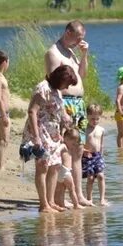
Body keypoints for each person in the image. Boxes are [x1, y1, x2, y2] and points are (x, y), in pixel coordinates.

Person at [44, 20, 93, 206]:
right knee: (64, 149)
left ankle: (78, 194)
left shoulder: (72, 52)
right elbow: (54, 85)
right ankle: (60, 197)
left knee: (79, 149)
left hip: (78, 104)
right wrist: (62, 110)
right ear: (67, 33)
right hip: (65, 103)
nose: (79, 42)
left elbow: (82, 75)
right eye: (77, 38)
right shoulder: (53, 53)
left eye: (82, 39)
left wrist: (84, 54)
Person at [22, 65, 76, 213]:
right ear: (60, 79)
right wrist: (36, 137)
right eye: (67, 83)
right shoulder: (43, 88)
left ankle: (51, 202)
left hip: (53, 134)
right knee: (43, 166)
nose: (67, 87)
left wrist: (68, 120)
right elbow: (32, 111)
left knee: (55, 166)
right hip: (40, 132)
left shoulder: (57, 91)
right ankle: (43, 204)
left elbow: (61, 113)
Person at [54, 128, 85, 210]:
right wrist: (57, 151)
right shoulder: (64, 145)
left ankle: (61, 204)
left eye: (75, 144)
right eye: (73, 143)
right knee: (72, 189)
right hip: (65, 172)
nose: (74, 145)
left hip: (61, 172)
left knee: (61, 189)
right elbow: (59, 148)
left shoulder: (68, 147)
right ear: (66, 139)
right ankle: (76, 204)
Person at [83, 104, 107, 206]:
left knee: (101, 176)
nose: (95, 121)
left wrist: (101, 155)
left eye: (97, 119)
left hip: (98, 156)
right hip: (87, 156)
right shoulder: (84, 129)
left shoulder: (101, 130)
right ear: (87, 116)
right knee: (91, 178)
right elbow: (79, 144)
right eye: (92, 118)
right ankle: (89, 198)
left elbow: (101, 144)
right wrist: (84, 151)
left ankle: (102, 199)